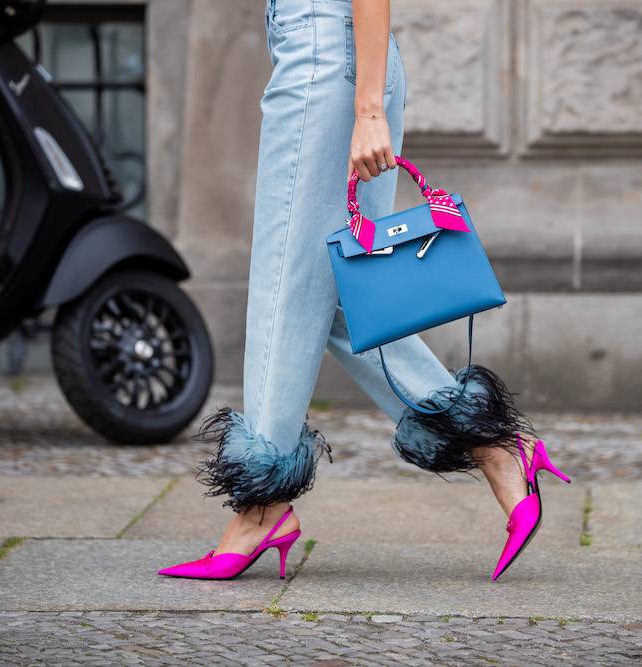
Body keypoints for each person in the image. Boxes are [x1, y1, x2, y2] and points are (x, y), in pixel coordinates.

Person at [158, 0, 570, 583]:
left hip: (326, 62)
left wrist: (368, 105)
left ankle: (260, 508)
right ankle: (496, 448)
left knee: (285, 285)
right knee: (343, 298)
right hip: (337, 60)